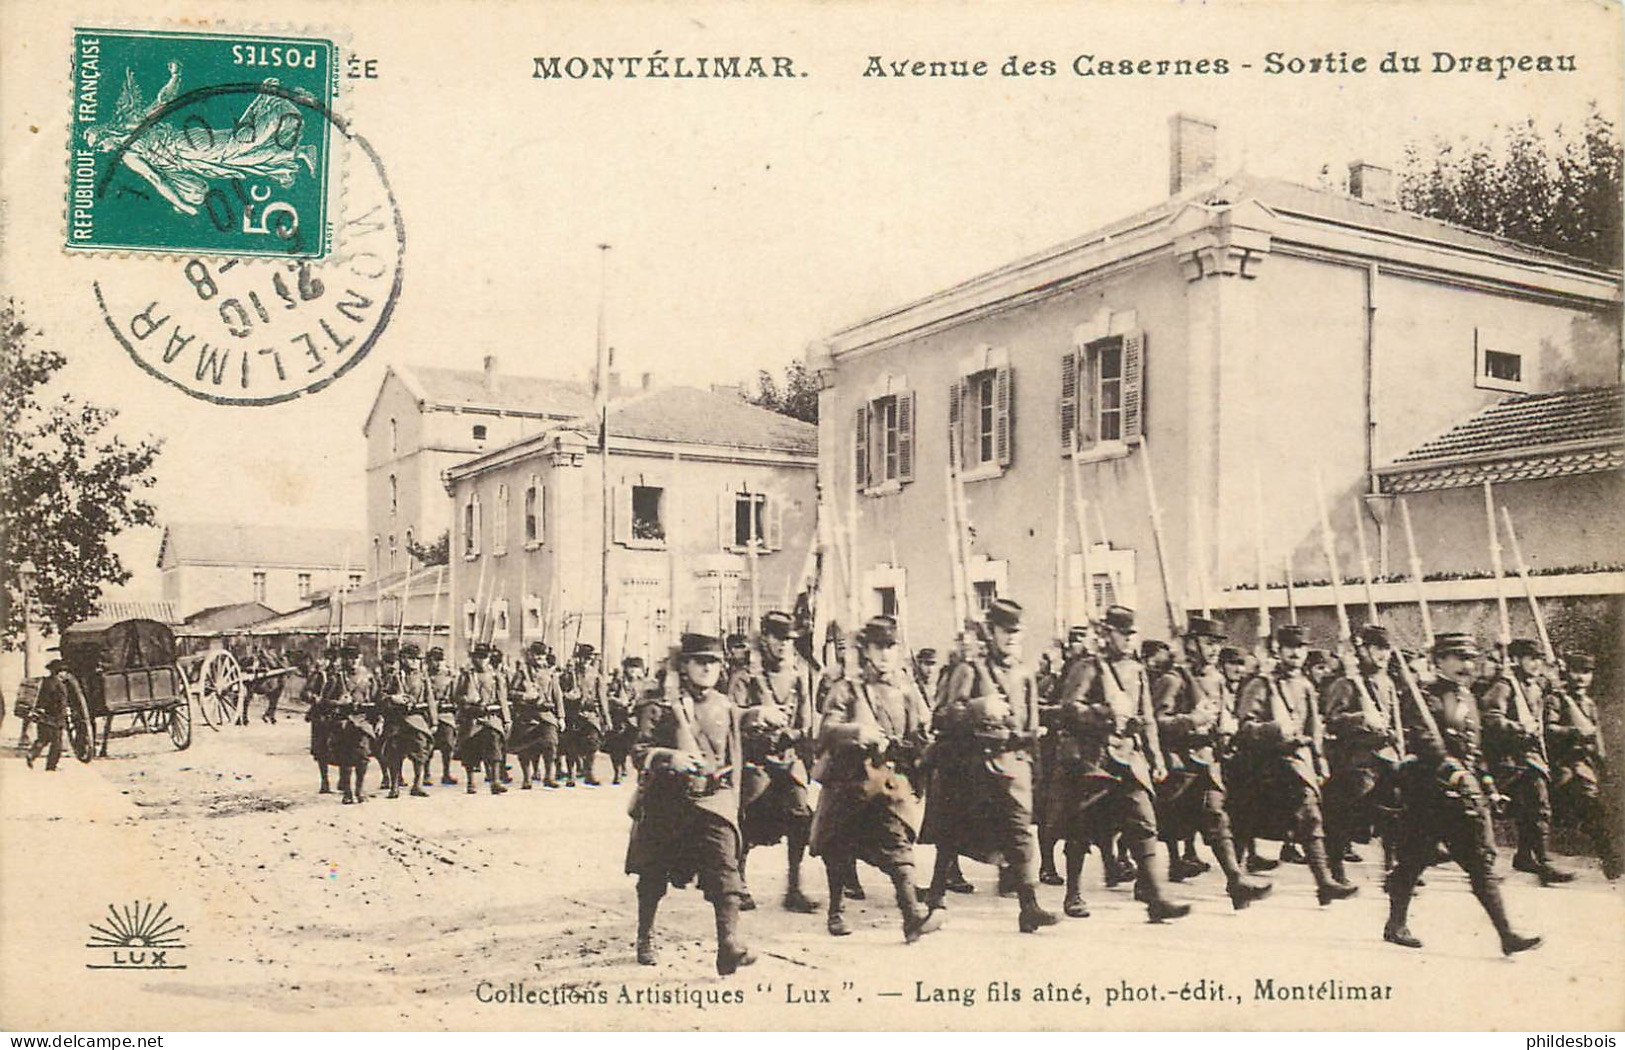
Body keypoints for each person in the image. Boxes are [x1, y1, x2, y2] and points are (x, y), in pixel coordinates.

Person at [1383, 632, 1541, 955]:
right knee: (1413, 862)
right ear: (1438, 661)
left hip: (1463, 799)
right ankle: (1395, 923)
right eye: (1457, 657)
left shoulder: (1468, 699)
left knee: (1480, 864)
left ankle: (1507, 934)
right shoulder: (1423, 697)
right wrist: (1452, 773)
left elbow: (1474, 750)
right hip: (1429, 796)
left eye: (1470, 658)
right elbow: (1425, 743)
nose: (1466, 665)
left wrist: (1487, 786)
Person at [1046, 605, 1191, 922]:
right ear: (1105, 634)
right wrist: (1105, 713)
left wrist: (1154, 757)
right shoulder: (1087, 667)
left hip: (1129, 756)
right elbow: (1069, 709)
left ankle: (1155, 896)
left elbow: (1148, 717)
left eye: (1130, 634)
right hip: (1093, 756)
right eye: (1121, 634)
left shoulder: (1136, 670)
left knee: (1144, 822)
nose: (1127, 640)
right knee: (1081, 827)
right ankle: (1073, 894)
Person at [921, 599, 1057, 932]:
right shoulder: (970, 670)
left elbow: (1030, 724)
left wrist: (1033, 761)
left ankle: (1029, 907)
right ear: (991, 632)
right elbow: (941, 716)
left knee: (1022, 834)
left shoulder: (1024, 674)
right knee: (952, 834)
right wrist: (981, 707)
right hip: (972, 767)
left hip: (1013, 766)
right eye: (1004, 631)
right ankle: (936, 899)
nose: (1011, 638)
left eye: (1016, 632)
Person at [625, 633, 755, 975]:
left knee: (726, 869)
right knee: (653, 871)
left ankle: (728, 945)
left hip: (713, 800)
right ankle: (645, 935)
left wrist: (733, 805)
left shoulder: (724, 707)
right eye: (701, 661)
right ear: (684, 665)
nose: (708, 668)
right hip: (667, 801)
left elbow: (735, 758)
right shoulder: (661, 704)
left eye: (714, 662)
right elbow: (639, 752)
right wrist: (670, 757)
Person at [811, 615, 942, 941]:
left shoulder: (907, 692)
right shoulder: (848, 688)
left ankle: (912, 915)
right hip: (849, 782)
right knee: (838, 847)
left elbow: (918, 733)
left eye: (891, 647)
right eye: (878, 647)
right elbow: (826, 731)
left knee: (898, 845)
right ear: (866, 650)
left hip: (888, 782)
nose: (885, 654)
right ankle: (836, 910)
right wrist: (858, 731)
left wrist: (925, 747)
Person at [1153, 615, 1273, 909]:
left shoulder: (1216, 679)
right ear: (1191, 644)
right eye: (1208, 643)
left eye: (1218, 644)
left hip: (1207, 762)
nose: (1214, 649)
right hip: (1179, 765)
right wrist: (1192, 720)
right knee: (1159, 824)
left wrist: (1226, 725)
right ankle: (1148, 882)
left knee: (1218, 819)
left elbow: (1223, 714)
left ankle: (1236, 881)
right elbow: (1157, 722)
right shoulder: (1173, 679)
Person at [1233, 624, 1358, 904]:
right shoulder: (1260, 684)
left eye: (1301, 648)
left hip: (1295, 765)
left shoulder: (1304, 685)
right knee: (1246, 823)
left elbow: (1314, 727)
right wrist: (1276, 729)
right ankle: (1237, 883)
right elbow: (1244, 727)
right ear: (1278, 650)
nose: (1296, 653)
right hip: (1262, 765)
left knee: (1310, 816)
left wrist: (1319, 759)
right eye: (1290, 647)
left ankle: (1324, 883)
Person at [728, 610, 820, 914]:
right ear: (763, 638)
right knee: (746, 821)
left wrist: (792, 737)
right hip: (755, 761)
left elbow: (806, 723)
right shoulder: (745, 676)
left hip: (787, 759)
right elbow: (729, 717)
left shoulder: (798, 676)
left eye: (788, 640)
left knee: (801, 819)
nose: (782, 645)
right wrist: (756, 718)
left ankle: (794, 888)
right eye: (776, 638)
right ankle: (738, 883)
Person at [1478, 639, 1573, 885]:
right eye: (1531, 658)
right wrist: (1520, 727)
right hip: (1506, 758)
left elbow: (1554, 690)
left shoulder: (1537, 685)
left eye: (1539, 659)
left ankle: (1533, 857)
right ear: (1517, 659)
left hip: (1530, 757)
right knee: (1495, 809)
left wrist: (1557, 672)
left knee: (1537, 806)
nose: (1536, 663)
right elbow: (1490, 718)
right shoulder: (1504, 686)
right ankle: (1489, 863)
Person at [1320, 625, 1407, 880]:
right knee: (1347, 811)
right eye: (1377, 648)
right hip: (1358, 759)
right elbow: (1332, 720)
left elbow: (1396, 721)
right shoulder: (1346, 684)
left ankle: (1392, 864)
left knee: (1397, 808)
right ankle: (1335, 865)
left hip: (1388, 755)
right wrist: (1362, 719)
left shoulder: (1387, 682)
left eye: (1386, 649)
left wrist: (1400, 748)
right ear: (1364, 650)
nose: (1383, 654)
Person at [1547, 652, 1618, 879]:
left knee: (1593, 808)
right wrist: (1574, 732)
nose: (1581, 678)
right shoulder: (1556, 699)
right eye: (1576, 671)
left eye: (1586, 672)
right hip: (1560, 764)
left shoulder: (1588, 704)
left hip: (1583, 766)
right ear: (1566, 671)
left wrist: (1602, 761)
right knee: (1546, 811)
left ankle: (1610, 859)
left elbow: (1596, 736)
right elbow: (1550, 729)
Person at [378, 644, 435, 798]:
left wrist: (434, 721)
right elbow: (381, 696)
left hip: (417, 718)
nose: (415, 662)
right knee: (394, 752)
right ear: (403, 659)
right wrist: (392, 698)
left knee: (421, 750)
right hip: (396, 719)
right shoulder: (393, 676)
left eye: (418, 659)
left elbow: (430, 699)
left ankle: (417, 784)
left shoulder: (422, 677)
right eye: (411, 658)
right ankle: (394, 786)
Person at [326, 644, 379, 805]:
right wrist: (338, 702)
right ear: (343, 660)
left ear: (360, 659)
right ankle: (348, 792)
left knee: (363, 757)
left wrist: (378, 719)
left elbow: (377, 700)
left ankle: (360, 789)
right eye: (348, 658)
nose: (352, 661)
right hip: (343, 721)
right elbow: (325, 701)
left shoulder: (368, 678)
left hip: (362, 721)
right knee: (346, 758)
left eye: (355, 658)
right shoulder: (336, 678)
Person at [507, 642, 564, 789]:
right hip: (527, 715)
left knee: (551, 743)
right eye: (537, 655)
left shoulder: (551, 674)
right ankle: (527, 778)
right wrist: (524, 695)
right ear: (530, 655)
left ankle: (549, 776)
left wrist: (561, 717)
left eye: (542, 656)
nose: (540, 658)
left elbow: (558, 696)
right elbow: (511, 693)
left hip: (546, 714)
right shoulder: (522, 673)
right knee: (525, 748)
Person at [456, 644, 510, 795]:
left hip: (490, 716)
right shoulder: (466, 676)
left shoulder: (495, 676)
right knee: (470, 749)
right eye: (477, 657)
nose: (480, 661)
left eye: (484, 657)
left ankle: (495, 780)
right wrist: (467, 700)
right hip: (471, 717)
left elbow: (502, 698)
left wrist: (506, 719)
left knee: (494, 746)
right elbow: (456, 696)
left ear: (489, 659)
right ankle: (471, 781)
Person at [25, 659, 85, 771]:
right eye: (64, 671)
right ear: (59, 672)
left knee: (42, 739)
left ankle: (32, 754)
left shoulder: (45, 682)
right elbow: (61, 703)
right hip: (54, 719)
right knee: (57, 744)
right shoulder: (60, 685)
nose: (65, 674)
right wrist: (65, 715)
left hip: (42, 717)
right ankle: (51, 766)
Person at [303, 645, 340, 794]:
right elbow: (305, 693)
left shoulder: (346, 675)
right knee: (322, 750)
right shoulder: (320, 675)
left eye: (337, 660)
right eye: (333, 659)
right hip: (322, 716)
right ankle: (325, 781)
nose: (335, 663)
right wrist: (315, 698)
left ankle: (344, 780)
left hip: (341, 715)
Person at [425, 647, 459, 786]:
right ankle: (426, 774)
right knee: (427, 745)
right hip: (427, 715)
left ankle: (446, 773)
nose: (437, 663)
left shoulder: (449, 676)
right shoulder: (424, 676)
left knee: (448, 745)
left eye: (440, 660)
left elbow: (455, 695)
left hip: (445, 714)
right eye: (434, 660)